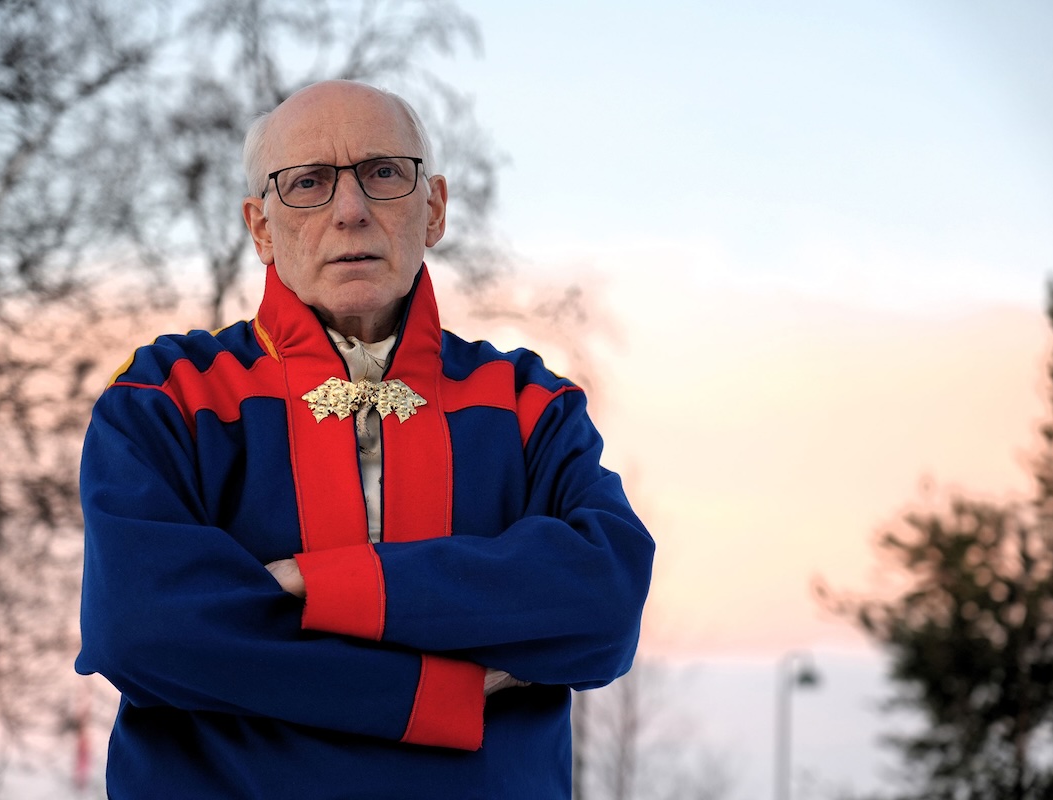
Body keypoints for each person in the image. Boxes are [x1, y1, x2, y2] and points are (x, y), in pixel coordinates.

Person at [76, 80, 654, 799]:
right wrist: (440, 694)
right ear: (260, 227)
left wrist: (320, 584)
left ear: (433, 207)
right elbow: (141, 630)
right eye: (308, 183)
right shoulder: (167, 396)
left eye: (383, 173)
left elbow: (603, 602)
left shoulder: (528, 403)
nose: (349, 211)